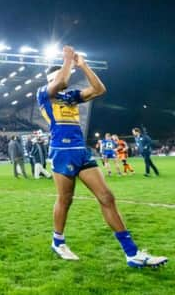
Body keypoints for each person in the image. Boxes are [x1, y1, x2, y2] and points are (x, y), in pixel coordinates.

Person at [38, 45, 167, 267]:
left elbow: (99, 89)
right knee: (65, 200)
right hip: (62, 152)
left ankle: (132, 253)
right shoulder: (44, 93)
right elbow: (60, 82)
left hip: (81, 151)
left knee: (107, 197)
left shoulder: (71, 97)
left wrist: (83, 65)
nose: (67, 78)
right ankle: (58, 241)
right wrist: (68, 58)